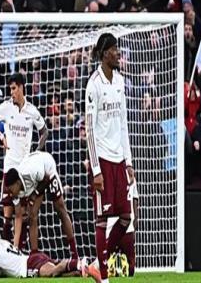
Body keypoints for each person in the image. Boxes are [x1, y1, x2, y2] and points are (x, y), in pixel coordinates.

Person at [85, 33, 135, 283]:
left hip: (119, 160)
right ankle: (103, 277)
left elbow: (124, 124)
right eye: (114, 49)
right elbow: (89, 130)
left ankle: (98, 261)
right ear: (105, 54)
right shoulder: (93, 85)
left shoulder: (120, 81)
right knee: (102, 218)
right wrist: (96, 170)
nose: (118, 53)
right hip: (103, 160)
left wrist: (129, 162)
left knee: (126, 216)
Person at [0, 72, 48, 250]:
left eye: (14, 88)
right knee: (7, 215)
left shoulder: (32, 111)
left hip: (25, 169)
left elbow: (44, 131)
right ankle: (6, 252)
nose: (11, 92)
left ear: (21, 88)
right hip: (10, 167)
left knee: (23, 214)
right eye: (10, 89)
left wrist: (36, 151)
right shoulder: (6, 107)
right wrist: (1, 137)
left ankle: (20, 252)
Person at [4, 151, 80, 262]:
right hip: (37, 180)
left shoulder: (31, 172)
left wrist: (34, 195)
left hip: (47, 169)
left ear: (17, 183)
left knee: (60, 209)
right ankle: (34, 254)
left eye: (11, 190)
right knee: (32, 215)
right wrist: (15, 247)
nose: (10, 194)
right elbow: (18, 217)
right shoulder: (14, 193)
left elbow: (46, 179)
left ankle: (75, 254)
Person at [0, 229, 83, 279]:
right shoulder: (3, 243)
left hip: (29, 265)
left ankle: (79, 264)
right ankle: (73, 272)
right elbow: (4, 267)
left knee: (51, 272)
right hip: (33, 259)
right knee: (53, 273)